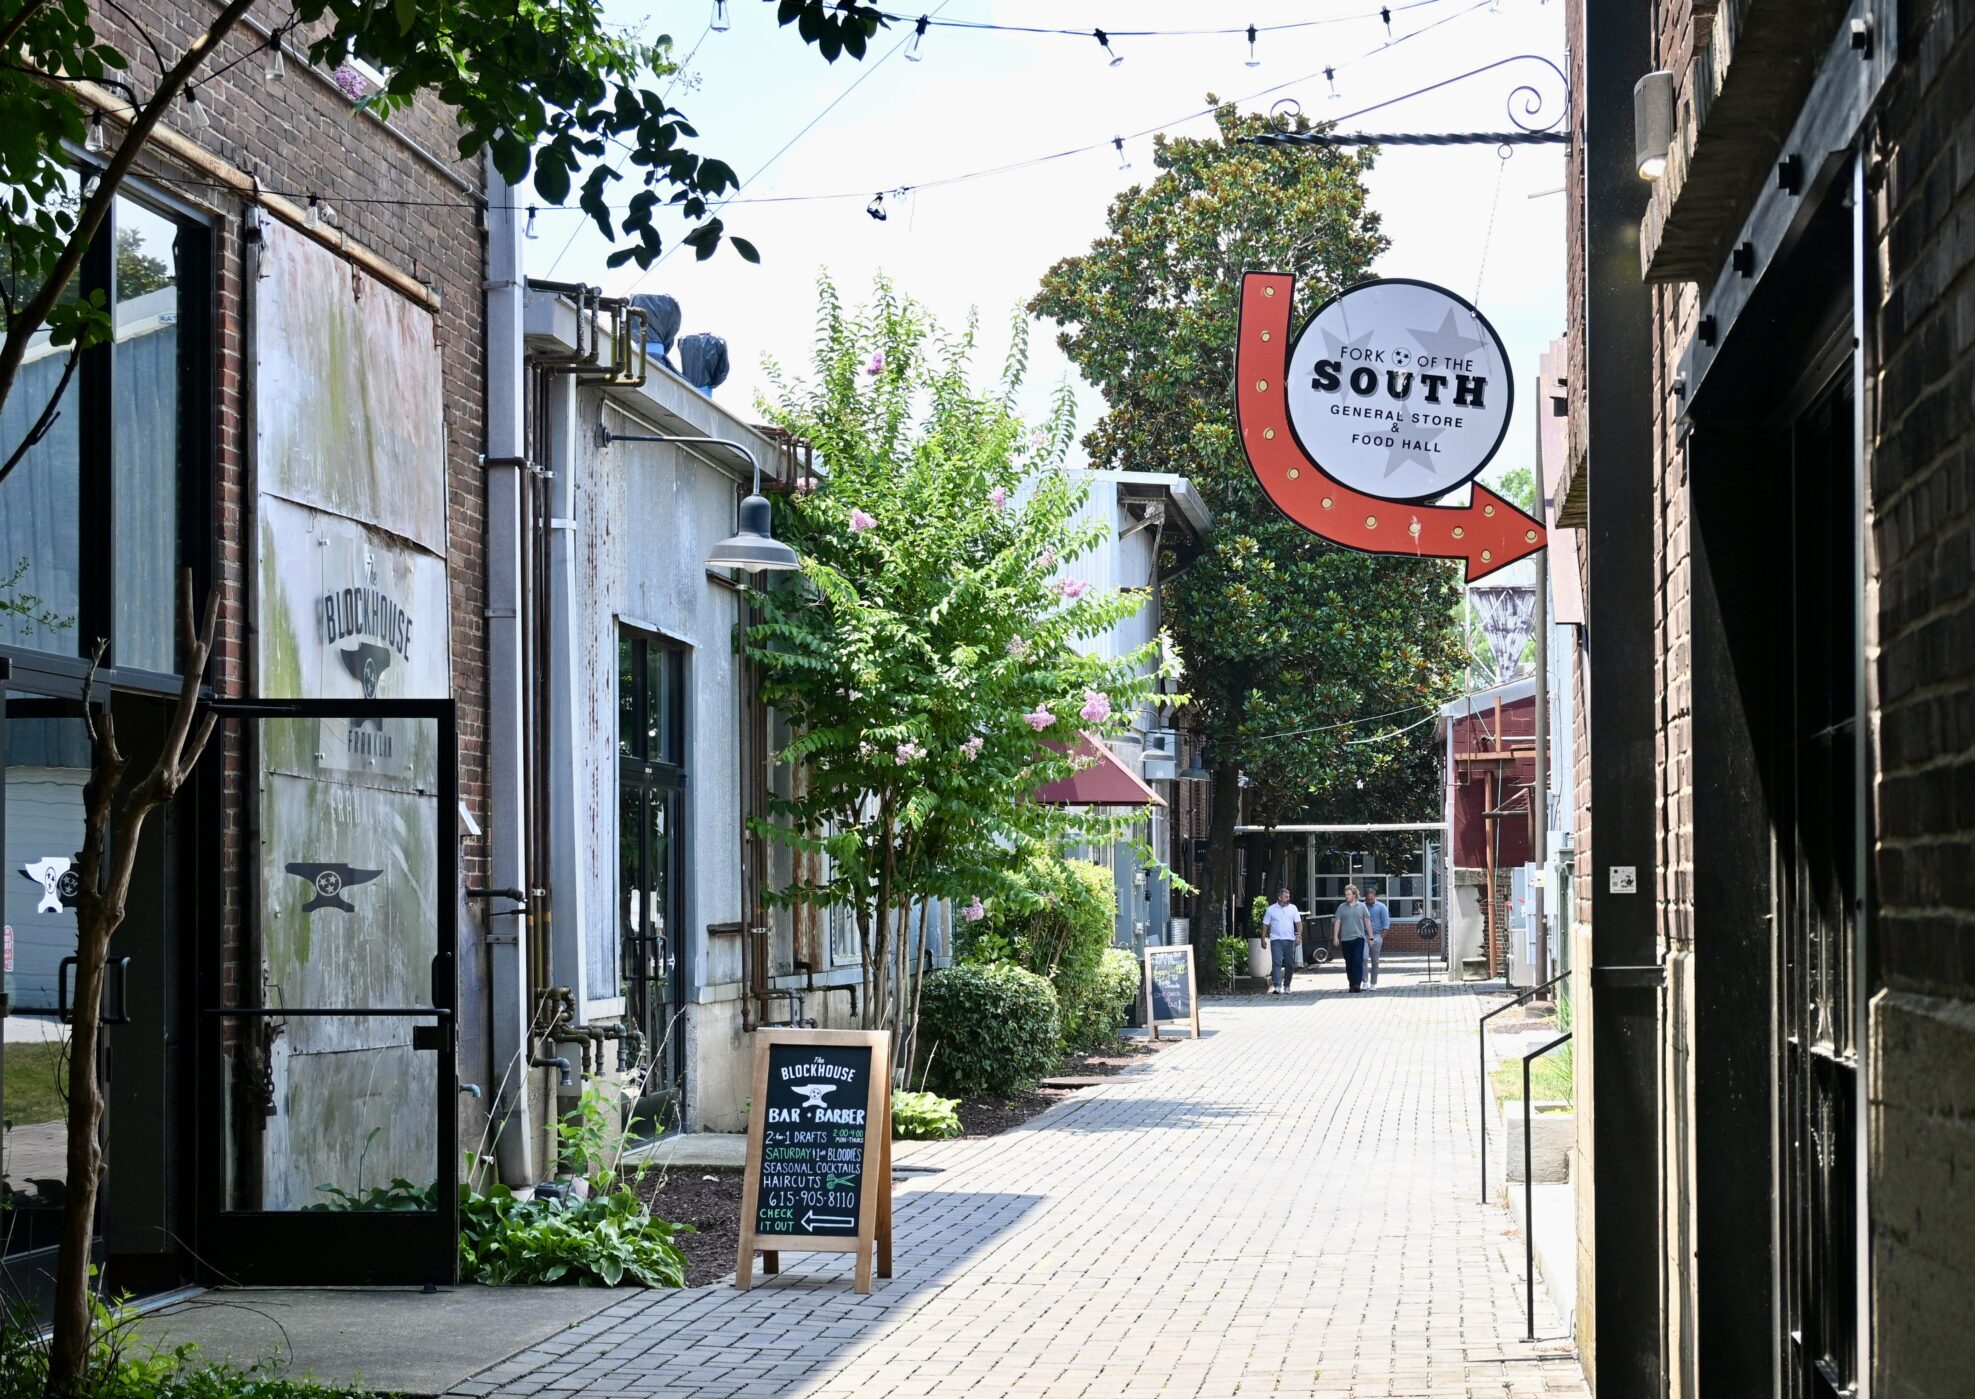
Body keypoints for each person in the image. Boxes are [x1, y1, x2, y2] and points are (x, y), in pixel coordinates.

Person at [1260, 888, 1302, 994]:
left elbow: (1298, 923)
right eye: (1286, 897)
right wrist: (1263, 938)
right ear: (1279, 897)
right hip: (1276, 939)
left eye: (1289, 896)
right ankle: (1277, 985)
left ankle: (1287, 985)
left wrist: (1299, 936)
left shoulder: (1293, 908)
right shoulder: (1271, 909)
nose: (1288, 898)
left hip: (1289, 940)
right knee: (1277, 962)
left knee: (1289, 964)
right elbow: (1265, 924)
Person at [1334, 884, 1371, 992]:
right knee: (1349, 962)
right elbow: (1337, 922)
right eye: (1345, 895)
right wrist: (1336, 936)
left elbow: (1367, 921)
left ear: (1354, 895)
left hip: (1358, 938)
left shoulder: (1362, 906)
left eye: (1349, 894)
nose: (1347, 897)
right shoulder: (1341, 907)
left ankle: (1357, 984)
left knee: (1357, 960)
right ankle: (1351, 982)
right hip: (1346, 939)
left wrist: (1371, 937)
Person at [1364, 885, 1391, 989]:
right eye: (1368, 899)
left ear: (1375, 897)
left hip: (1376, 935)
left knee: (1375, 961)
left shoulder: (1381, 907)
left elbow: (1386, 924)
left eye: (1371, 899)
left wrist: (1381, 938)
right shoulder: (1362, 906)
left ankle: (1373, 983)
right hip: (1364, 935)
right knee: (1364, 958)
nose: (1370, 901)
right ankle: (1364, 981)